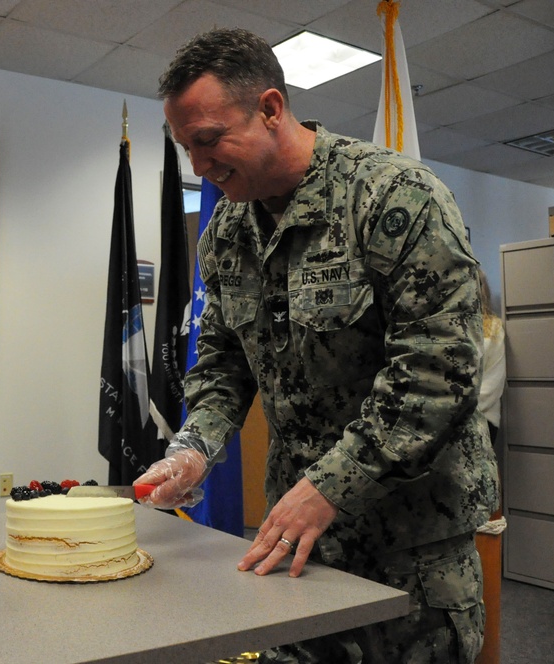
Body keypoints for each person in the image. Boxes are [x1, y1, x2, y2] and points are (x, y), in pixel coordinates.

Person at [135, 28, 498, 663]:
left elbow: (437, 374)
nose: (199, 166)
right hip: (299, 546)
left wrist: (330, 486)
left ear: (270, 109)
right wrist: (194, 450)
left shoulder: (393, 197)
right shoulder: (226, 232)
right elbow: (222, 364)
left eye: (209, 140)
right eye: (185, 147)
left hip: (410, 550)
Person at [478, 270, 506, 445]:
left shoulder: (493, 327)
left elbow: (492, 384)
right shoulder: (446, 328)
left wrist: (457, 413)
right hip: (444, 421)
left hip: (482, 418)